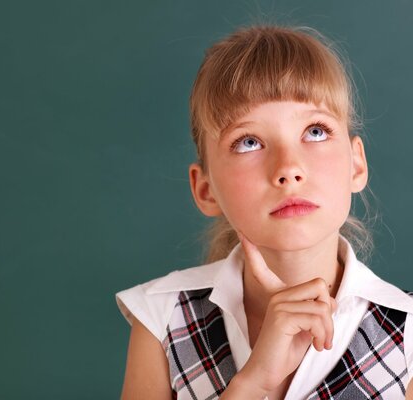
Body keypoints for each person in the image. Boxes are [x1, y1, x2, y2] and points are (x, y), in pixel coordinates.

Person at [115, 25, 413, 399]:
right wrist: (253, 382)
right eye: (249, 142)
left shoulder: (407, 336)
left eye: (316, 131)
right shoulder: (162, 318)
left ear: (356, 164)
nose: (288, 168)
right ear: (205, 190)